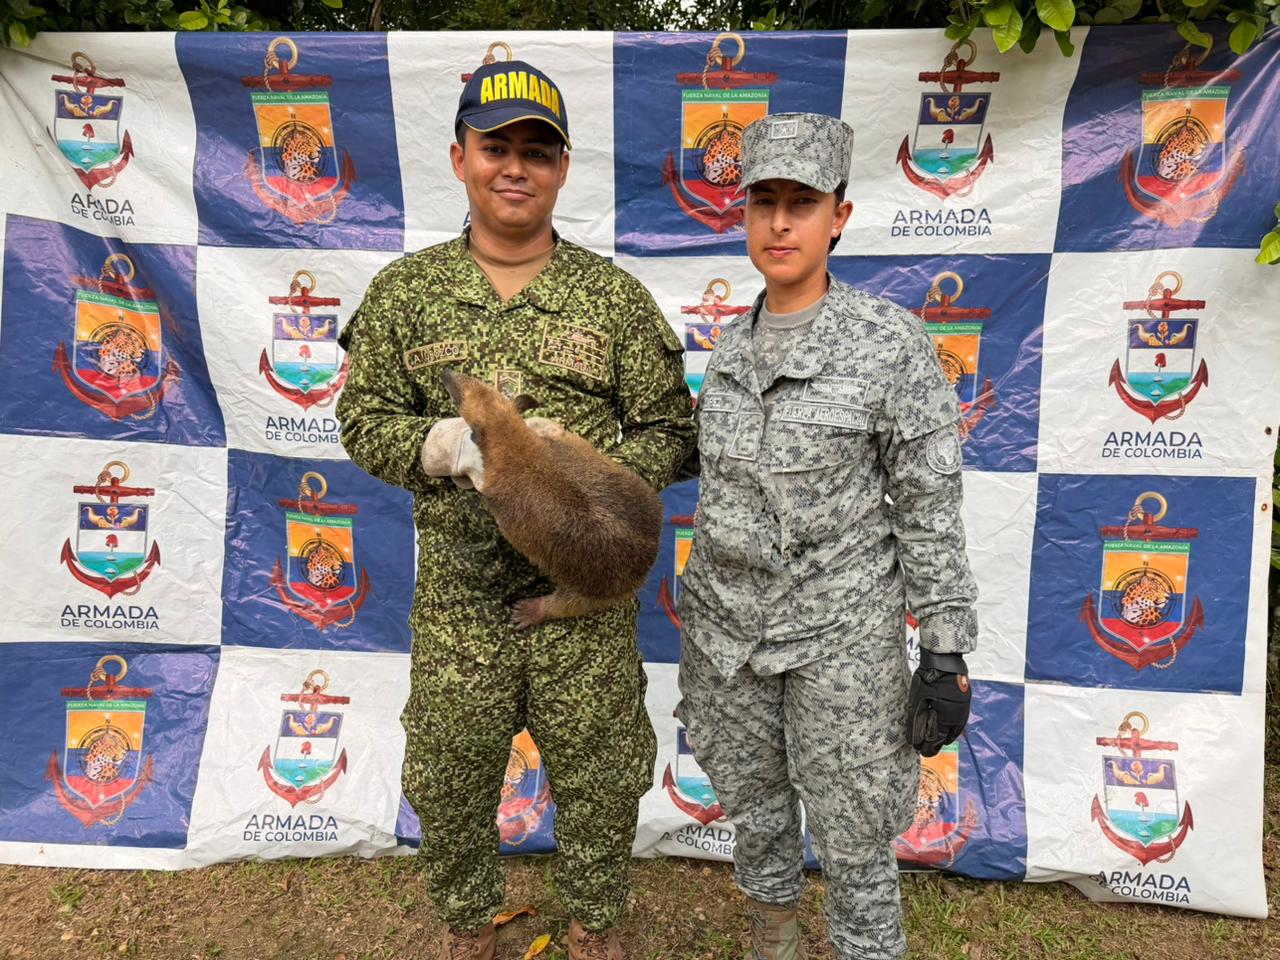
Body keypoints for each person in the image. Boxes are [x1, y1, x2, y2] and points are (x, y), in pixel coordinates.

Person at [336, 58, 695, 960]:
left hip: (586, 594)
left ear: (562, 168)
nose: (515, 167)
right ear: (460, 156)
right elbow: (361, 418)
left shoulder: (611, 299)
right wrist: (439, 447)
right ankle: (472, 922)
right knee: (451, 776)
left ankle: (594, 924)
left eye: (538, 151)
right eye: (496, 146)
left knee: (604, 776)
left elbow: (669, 430)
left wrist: (590, 472)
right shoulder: (404, 294)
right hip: (460, 597)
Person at [675, 112, 978, 960]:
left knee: (852, 836)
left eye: (800, 203)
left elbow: (929, 506)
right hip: (729, 638)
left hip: (841, 638)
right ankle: (772, 939)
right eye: (762, 201)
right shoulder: (729, 348)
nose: (779, 223)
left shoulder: (889, 346)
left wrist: (946, 651)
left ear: (837, 215)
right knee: (757, 811)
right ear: (743, 215)